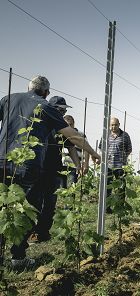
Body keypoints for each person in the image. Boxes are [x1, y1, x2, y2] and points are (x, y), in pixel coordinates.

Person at [0, 76, 100, 267]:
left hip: (2, 159)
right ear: (46, 93)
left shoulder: (8, 98)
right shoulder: (46, 107)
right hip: (27, 164)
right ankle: (18, 257)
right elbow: (74, 138)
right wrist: (93, 153)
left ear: (28, 88)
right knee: (27, 208)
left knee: (2, 206)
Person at [30, 96, 82, 243]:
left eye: (64, 110)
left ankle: (43, 232)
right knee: (35, 203)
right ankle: (32, 232)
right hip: (38, 170)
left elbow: (71, 148)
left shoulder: (62, 128)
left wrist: (78, 165)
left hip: (54, 171)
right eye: (61, 109)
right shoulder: (40, 125)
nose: (63, 112)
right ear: (52, 109)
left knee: (50, 203)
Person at [100, 117, 132, 204]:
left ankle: (120, 205)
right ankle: (107, 206)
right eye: (112, 125)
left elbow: (129, 149)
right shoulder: (105, 135)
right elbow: (101, 148)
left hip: (120, 165)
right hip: (108, 165)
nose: (114, 127)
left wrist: (123, 157)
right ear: (109, 125)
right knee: (108, 186)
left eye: (115, 125)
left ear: (119, 125)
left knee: (121, 186)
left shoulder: (125, 135)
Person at [61, 114, 90, 185]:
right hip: (62, 165)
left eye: (70, 124)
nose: (69, 126)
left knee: (71, 187)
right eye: (67, 125)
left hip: (74, 166)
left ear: (73, 124)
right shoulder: (61, 134)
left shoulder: (80, 134)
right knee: (62, 189)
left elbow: (86, 149)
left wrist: (86, 164)